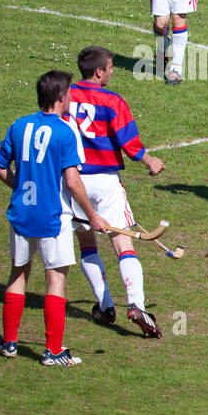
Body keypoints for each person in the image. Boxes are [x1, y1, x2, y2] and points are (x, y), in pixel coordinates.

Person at [0, 71, 109, 365]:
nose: (71, 98)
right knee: (56, 281)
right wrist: (93, 216)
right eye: (69, 93)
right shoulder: (65, 133)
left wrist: (19, 187)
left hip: (21, 213)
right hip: (53, 217)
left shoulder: (20, 125)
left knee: (18, 274)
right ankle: (53, 351)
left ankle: (9, 343)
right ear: (59, 98)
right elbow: (72, 182)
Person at [67, 46, 167, 338]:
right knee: (123, 245)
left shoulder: (65, 96)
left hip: (74, 182)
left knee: (87, 244)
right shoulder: (112, 100)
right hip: (106, 181)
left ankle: (105, 304)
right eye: (110, 68)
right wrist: (150, 161)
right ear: (100, 71)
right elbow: (128, 140)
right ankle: (136, 304)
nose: (111, 72)